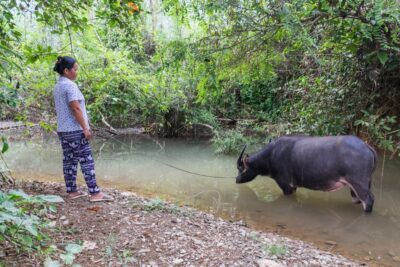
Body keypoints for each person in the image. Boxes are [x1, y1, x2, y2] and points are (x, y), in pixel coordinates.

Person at [53, 56, 113, 202]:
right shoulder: (70, 86)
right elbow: (75, 108)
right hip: (75, 130)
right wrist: (85, 128)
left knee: (69, 160)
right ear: (66, 70)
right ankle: (95, 193)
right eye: (75, 69)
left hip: (63, 131)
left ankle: (72, 191)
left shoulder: (58, 85)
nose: (76, 72)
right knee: (86, 160)